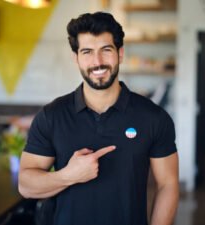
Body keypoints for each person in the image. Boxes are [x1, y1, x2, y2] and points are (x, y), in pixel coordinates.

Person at [18, 12, 179, 225]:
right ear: (76, 58)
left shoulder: (153, 118)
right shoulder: (51, 116)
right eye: (87, 52)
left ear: (120, 53)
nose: (98, 62)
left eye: (106, 50)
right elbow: (26, 186)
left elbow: (168, 184)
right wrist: (69, 175)